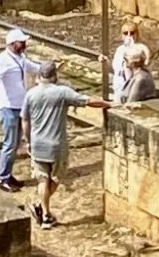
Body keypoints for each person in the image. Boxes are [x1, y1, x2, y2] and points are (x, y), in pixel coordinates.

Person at [22, 60, 110, 229]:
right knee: (55, 178)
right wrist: (107, 104)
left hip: (38, 144)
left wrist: (28, 141)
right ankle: (44, 211)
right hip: (57, 145)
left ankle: (44, 211)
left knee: (42, 179)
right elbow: (87, 101)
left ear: (39, 76)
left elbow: (25, 120)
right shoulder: (62, 92)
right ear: (55, 76)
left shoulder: (30, 94)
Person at [0, 27, 41, 192]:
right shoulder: (3, 59)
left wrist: (48, 67)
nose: (24, 44)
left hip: (20, 105)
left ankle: (8, 174)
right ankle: (2, 178)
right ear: (12, 44)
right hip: (8, 107)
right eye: (21, 42)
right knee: (10, 143)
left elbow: (33, 67)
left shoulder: (21, 58)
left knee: (16, 142)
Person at [110, 22, 140, 102]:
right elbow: (115, 68)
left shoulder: (139, 50)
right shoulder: (119, 50)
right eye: (126, 33)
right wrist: (105, 61)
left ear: (137, 35)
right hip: (119, 85)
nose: (129, 36)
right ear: (122, 36)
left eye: (132, 33)